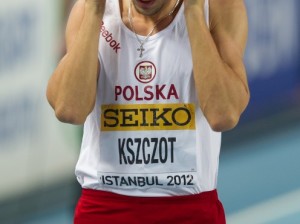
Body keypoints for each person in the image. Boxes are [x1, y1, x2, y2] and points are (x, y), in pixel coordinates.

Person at [46, 0, 249, 223]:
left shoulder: (219, 8)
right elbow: (69, 110)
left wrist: (193, 14)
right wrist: (94, 13)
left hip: (188, 209)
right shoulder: (91, 10)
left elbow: (224, 115)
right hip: (104, 208)